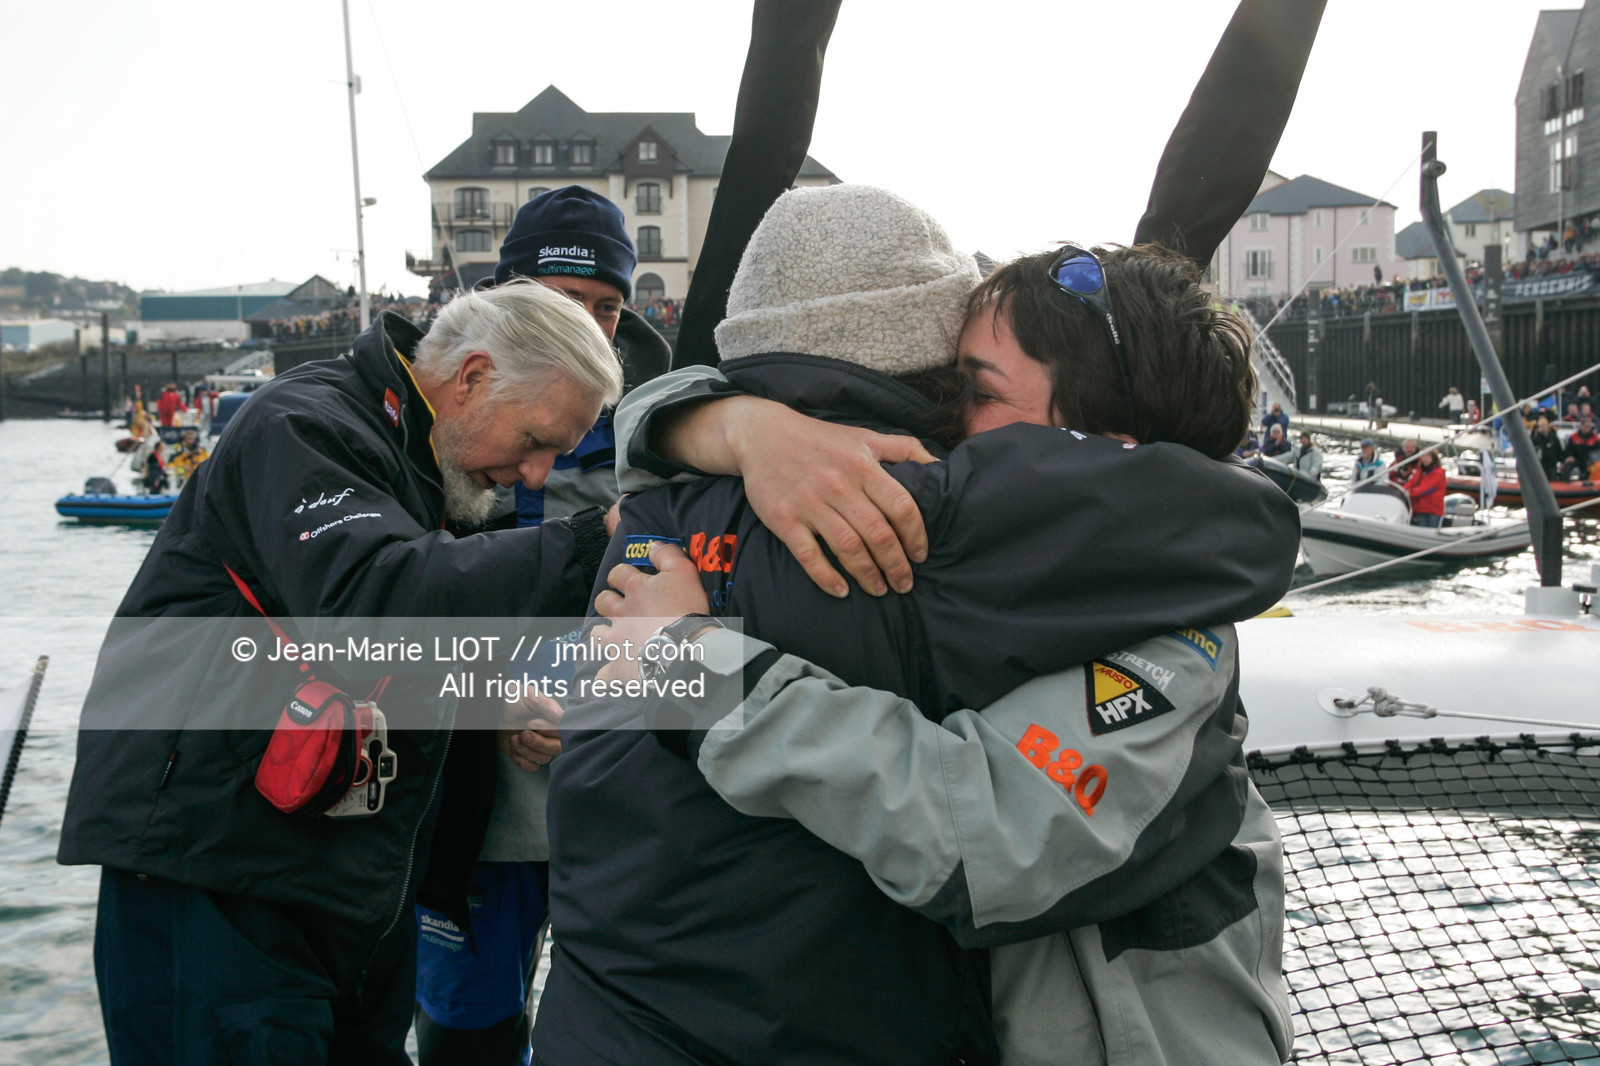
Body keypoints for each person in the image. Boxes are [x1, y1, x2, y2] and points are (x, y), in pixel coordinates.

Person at [535, 186, 1300, 1066]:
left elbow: (998, 836)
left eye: (970, 389)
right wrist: (741, 427)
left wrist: (692, 665)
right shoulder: (960, 549)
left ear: (1104, 453)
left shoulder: (1170, 617)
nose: (943, 420)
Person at [56, 282, 625, 1066]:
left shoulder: (431, 461)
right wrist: (595, 542)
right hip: (221, 879)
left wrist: (485, 695)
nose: (536, 475)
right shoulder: (303, 426)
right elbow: (371, 606)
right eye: (535, 440)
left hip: (348, 892)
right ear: (472, 377)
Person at [410, 184, 673, 1065]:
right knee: (465, 1028)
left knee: (615, 1030)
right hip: (476, 800)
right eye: (562, 303)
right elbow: (389, 608)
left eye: (607, 306)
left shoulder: (669, 428)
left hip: (614, 790)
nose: (590, 327)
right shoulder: (438, 428)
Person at [1405, 448, 1446, 526]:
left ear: (1433, 458)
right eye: (1423, 456)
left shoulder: (1438, 473)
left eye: (1427, 456)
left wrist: (1409, 492)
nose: (1425, 459)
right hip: (1421, 508)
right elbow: (1412, 482)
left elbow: (1426, 488)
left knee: (1430, 531)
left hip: (1433, 510)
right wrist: (1403, 490)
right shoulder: (1420, 471)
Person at [1563, 415, 1600, 480]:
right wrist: (1570, 456)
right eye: (1587, 426)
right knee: (1568, 463)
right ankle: (1565, 483)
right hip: (1577, 459)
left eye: (1590, 426)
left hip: (1590, 462)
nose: (1589, 428)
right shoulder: (1574, 437)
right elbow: (1568, 449)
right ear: (1582, 426)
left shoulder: (1595, 439)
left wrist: (1592, 462)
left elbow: (1597, 453)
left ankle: (1593, 482)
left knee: (1596, 467)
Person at [1532, 413, 1566, 479]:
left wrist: (1562, 461)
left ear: (1548, 426)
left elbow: (1559, 449)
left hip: (1552, 464)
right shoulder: (1535, 439)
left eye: (1544, 425)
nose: (1543, 427)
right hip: (1540, 464)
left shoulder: (1553, 437)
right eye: (1541, 426)